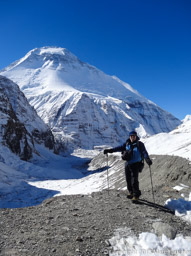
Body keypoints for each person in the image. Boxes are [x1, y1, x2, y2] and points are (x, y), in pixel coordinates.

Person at [104, 131, 152, 203]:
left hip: (136, 164)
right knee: (128, 179)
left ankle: (136, 195)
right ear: (129, 137)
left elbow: (144, 152)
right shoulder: (127, 143)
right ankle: (131, 192)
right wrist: (110, 150)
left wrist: (147, 159)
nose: (132, 137)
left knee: (134, 180)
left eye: (134, 136)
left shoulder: (140, 144)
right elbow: (118, 148)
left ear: (136, 137)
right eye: (131, 136)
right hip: (128, 164)